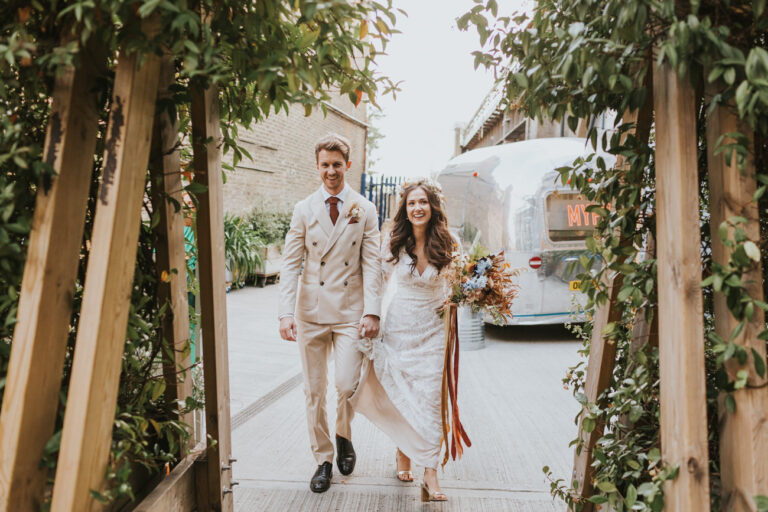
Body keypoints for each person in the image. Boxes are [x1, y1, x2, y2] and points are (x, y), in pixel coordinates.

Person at [278, 133, 382, 493]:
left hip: (350, 312)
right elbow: (290, 264)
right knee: (313, 390)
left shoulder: (365, 209)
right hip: (310, 311)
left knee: (345, 384)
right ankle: (322, 459)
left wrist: (373, 312)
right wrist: (284, 313)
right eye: (325, 165)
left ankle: (343, 434)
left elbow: (373, 265)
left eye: (337, 164)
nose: (331, 171)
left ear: (347, 165)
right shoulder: (303, 209)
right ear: (317, 166)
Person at [350, 179, 455, 502]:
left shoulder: (448, 242)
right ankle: (403, 451)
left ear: (432, 206)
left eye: (423, 202)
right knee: (403, 394)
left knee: (430, 400)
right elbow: (377, 282)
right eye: (411, 203)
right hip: (400, 326)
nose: (417, 208)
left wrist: (453, 299)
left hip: (434, 329)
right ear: (405, 209)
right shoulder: (394, 241)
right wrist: (370, 315)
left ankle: (430, 472)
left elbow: (457, 281)